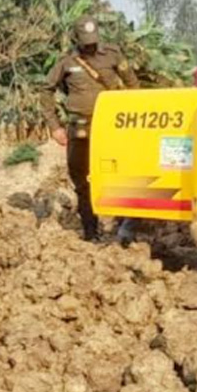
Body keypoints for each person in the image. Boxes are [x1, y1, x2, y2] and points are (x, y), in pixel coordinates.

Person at [40, 16, 139, 241]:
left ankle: (124, 230)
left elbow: (133, 86)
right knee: (83, 181)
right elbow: (46, 90)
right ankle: (91, 231)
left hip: (113, 130)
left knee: (122, 177)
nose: (90, 45)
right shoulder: (66, 61)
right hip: (81, 130)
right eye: (85, 41)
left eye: (93, 40)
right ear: (77, 38)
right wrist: (54, 127)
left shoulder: (113, 54)